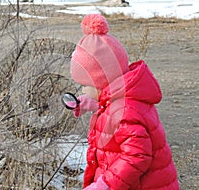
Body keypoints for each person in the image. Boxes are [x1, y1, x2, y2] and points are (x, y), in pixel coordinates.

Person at [69, 14, 179, 190]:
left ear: (100, 83)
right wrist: (95, 105)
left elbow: (137, 156)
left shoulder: (124, 112)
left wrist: (104, 185)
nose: (82, 90)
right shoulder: (122, 99)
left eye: (84, 85)